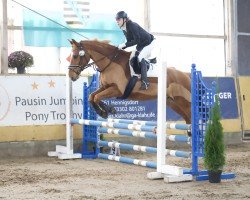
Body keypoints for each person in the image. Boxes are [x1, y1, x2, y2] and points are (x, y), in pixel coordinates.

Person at [116, 11, 155, 90]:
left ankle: (145, 82)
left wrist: (124, 45)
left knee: (140, 58)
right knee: (132, 59)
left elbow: (136, 40)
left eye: (118, 19)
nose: (117, 21)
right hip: (141, 45)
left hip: (149, 43)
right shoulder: (124, 29)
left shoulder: (132, 25)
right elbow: (129, 41)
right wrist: (119, 48)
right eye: (116, 20)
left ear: (125, 19)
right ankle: (150, 62)